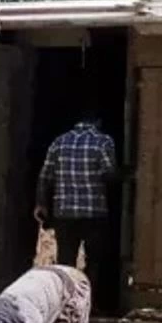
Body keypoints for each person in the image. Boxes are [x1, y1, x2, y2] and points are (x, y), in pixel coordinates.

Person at [35, 106, 117, 288]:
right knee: (95, 258)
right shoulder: (103, 142)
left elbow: (45, 176)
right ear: (98, 122)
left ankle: (65, 301)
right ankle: (90, 301)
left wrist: (41, 204)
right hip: (94, 212)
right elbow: (110, 175)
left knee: (66, 259)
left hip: (64, 212)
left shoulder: (59, 142)